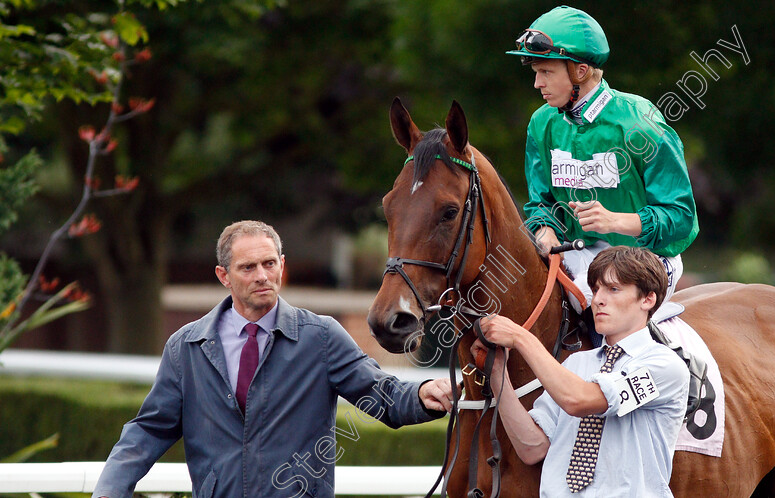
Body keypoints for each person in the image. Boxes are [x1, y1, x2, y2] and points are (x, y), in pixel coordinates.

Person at [93, 220, 457, 497]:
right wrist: (108, 490)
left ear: (282, 264)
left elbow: (381, 394)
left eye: (269, 263)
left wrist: (423, 393)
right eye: (247, 268)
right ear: (224, 275)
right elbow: (148, 431)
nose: (262, 276)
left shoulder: (321, 337)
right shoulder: (186, 347)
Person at [508, 5, 699, 319]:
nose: (537, 84)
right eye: (536, 73)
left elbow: (680, 219)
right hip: (575, 255)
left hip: (645, 259)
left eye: (546, 72)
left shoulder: (640, 122)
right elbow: (540, 203)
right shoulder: (541, 124)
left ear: (580, 72)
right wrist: (544, 230)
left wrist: (615, 221)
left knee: (601, 308)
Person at [472, 246, 690, 496]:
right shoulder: (575, 364)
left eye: (613, 289)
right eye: (596, 289)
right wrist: (498, 373)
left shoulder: (665, 365)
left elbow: (579, 400)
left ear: (648, 299)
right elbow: (532, 448)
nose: (597, 299)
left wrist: (521, 337)